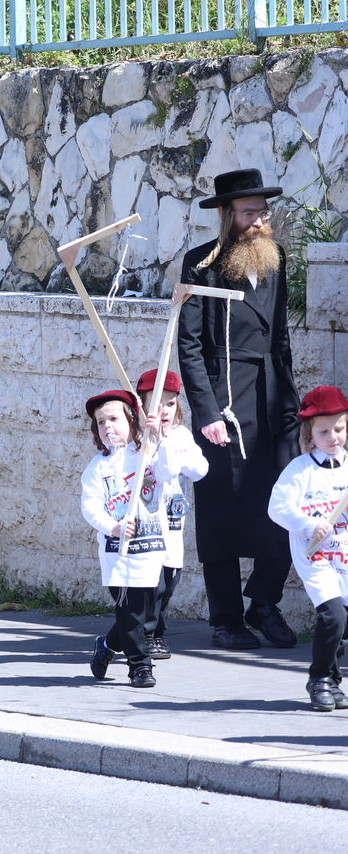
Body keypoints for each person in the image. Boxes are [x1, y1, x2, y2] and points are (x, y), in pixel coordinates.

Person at [177, 167, 301, 650]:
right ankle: (226, 619)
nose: (258, 222)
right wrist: (206, 411)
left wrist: (292, 403)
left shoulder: (275, 257)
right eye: (249, 213)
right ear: (228, 215)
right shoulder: (200, 264)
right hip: (224, 397)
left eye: (262, 212)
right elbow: (188, 345)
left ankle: (264, 603)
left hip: (273, 397)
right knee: (223, 509)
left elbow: (282, 336)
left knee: (286, 502)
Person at [267, 385, 348, 712]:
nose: (333, 436)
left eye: (339, 429)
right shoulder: (299, 470)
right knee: (331, 615)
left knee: (343, 624)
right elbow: (277, 507)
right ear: (309, 433)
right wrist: (307, 524)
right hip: (314, 555)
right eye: (324, 431)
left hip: (344, 554)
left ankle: (332, 676)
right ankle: (319, 679)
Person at [80, 389, 168, 688]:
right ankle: (139, 667)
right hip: (118, 551)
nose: (107, 427)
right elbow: (90, 507)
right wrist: (112, 527)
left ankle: (106, 645)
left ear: (132, 420)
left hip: (151, 546)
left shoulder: (148, 453)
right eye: (100, 423)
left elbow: (171, 470)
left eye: (114, 419)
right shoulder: (98, 468)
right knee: (130, 612)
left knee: (142, 613)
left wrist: (158, 436)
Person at [135, 369, 208, 660]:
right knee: (152, 582)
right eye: (155, 403)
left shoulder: (180, 435)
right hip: (147, 521)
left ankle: (154, 630)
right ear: (141, 404)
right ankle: (149, 634)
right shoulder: (137, 436)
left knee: (169, 579)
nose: (163, 410)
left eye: (169, 403)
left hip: (172, 522)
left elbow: (200, 470)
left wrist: (174, 447)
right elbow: (162, 471)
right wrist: (155, 438)